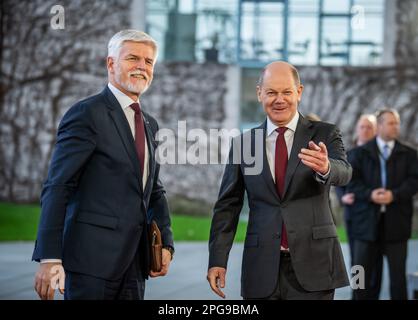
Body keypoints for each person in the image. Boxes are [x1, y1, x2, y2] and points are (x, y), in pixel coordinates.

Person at [32, 30, 174, 300]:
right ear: (111, 64)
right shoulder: (86, 114)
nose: (142, 67)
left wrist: (166, 242)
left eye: (148, 61)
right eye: (132, 58)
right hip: (90, 264)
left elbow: (154, 189)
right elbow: (58, 185)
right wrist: (49, 257)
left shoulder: (149, 124)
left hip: (135, 264)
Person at [207, 61, 352, 300]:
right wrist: (217, 260)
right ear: (259, 93)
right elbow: (227, 206)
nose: (279, 99)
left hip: (314, 265)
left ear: (299, 92)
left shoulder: (325, 133)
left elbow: (344, 172)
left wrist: (326, 167)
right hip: (261, 267)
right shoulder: (244, 144)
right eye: (271, 92)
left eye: (286, 92)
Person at [348, 109, 418, 300]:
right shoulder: (358, 154)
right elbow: (351, 183)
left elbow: (414, 181)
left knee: (398, 280)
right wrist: (370, 194)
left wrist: (393, 195)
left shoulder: (409, 154)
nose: (396, 127)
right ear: (379, 126)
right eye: (391, 123)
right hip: (365, 226)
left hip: (396, 226)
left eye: (397, 123)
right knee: (360, 277)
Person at [335, 114, 383, 299]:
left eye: (369, 127)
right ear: (357, 130)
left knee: (376, 260)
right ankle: (358, 294)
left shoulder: (380, 155)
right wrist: (342, 197)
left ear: (376, 130)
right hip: (354, 214)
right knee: (357, 260)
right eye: (362, 127)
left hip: (375, 214)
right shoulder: (349, 154)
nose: (365, 130)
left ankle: (372, 294)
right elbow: (339, 182)